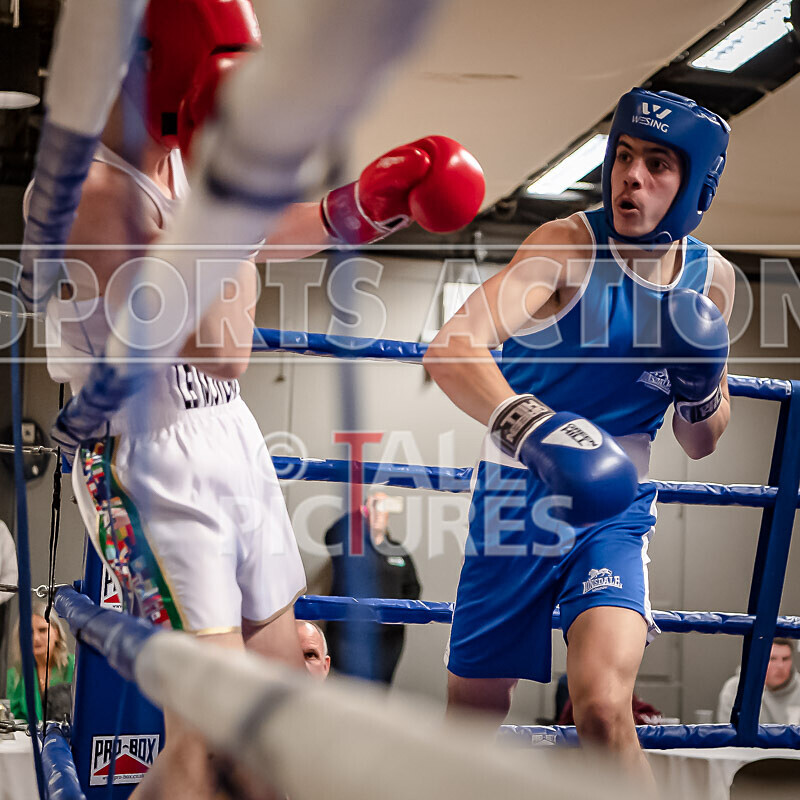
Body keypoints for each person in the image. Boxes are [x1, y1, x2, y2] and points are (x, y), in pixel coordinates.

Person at [32, 1, 483, 795]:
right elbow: (225, 345)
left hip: (226, 437)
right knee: (205, 741)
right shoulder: (97, 192)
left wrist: (369, 205)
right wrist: (229, 161)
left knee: (273, 732)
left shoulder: (165, 156)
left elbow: (270, 228)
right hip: (147, 461)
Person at [423, 87, 734, 783]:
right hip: (517, 496)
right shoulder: (567, 245)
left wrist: (701, 385)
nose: (632, 176)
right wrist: (536, 427)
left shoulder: (713, 280)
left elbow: (703, 440)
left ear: (695, 187)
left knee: (600, 708)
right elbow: (452, 347)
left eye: (658, 164)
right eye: (624, 156)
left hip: (615, 511)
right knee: (471, 716)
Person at [324, 492, 421, 684]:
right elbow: (331, 535)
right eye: (373, 507)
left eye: (383, 507)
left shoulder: (398, 551)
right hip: (348, 634)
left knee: (378, 692)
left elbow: (413, 588)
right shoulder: (350, 545)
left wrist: (397, 617)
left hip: (387, 640)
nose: (378, 513)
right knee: (347, 691)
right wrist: (360, 511)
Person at [6, 599, 75, 722]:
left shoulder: (77, 667)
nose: (36, 638)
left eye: (42, 630)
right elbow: (14, 721)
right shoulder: (14, 676)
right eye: (29, 632)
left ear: (57, 633)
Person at [717, 639, 800, 724]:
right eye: (772, 659)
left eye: (785, 659)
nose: (780, 666)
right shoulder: (735, 689)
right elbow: (731, 734)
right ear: (758, 660)